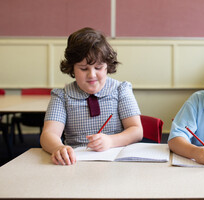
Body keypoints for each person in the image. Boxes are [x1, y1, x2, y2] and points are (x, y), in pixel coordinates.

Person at [40, 27, 143, 165]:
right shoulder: (62, 96)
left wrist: (111, 141)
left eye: (98, 68)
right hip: (75, 162)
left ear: (107, 66)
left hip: (116, 162)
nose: (92, 75)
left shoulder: (121, 90)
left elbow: (136, 131)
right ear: (72, 68)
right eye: (83, 69)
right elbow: (48, 135)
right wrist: (58, 147)